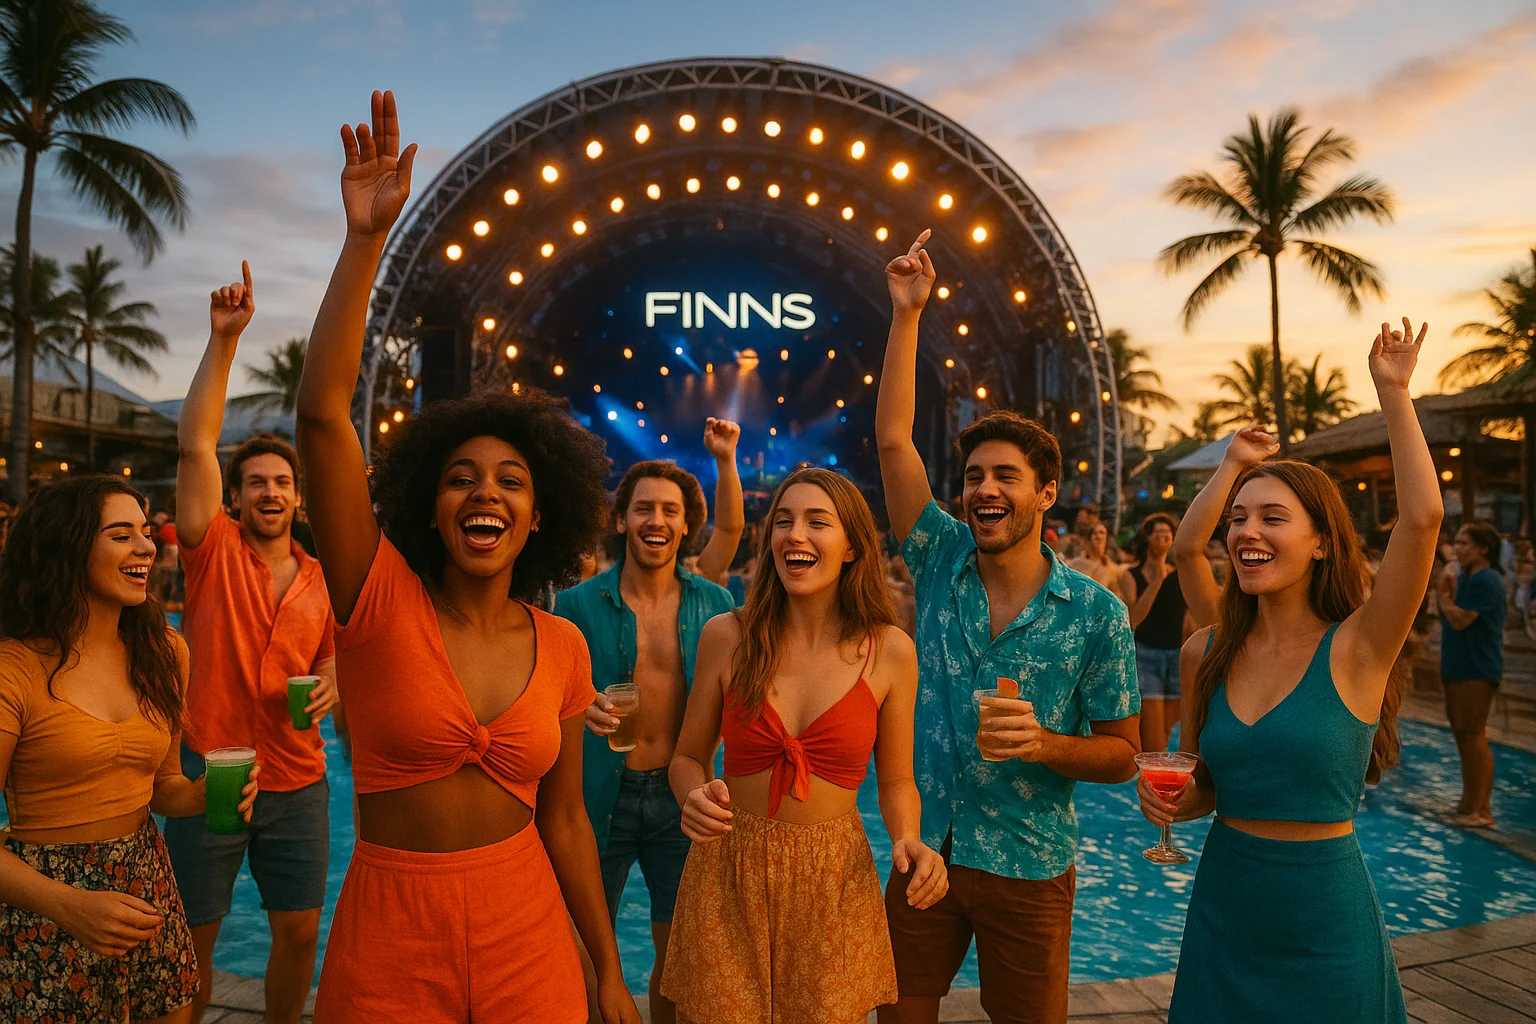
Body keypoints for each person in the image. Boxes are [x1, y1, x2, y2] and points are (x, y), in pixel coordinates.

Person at [295, 90, 638, 1024]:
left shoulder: (563, 648)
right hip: (389, 934)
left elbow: (565, 821)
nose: (485, 492)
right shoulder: (375, 600)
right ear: (428, 508)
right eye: (460, 478)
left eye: (511, 483)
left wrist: (605, 969)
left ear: (539, 519)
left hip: (527, 929)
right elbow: (323, 418)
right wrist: (364, 240)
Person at [875, 231, 1140, 1024]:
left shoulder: (1096, 613)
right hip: (927, 848)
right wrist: (907, 316)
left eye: (1005, 478)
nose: (984, 490)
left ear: (1046, 494)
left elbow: (1124, 755)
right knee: (897, 1013)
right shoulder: (937, 556)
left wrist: (1046, 745)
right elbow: (893, 441)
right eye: (975, 477)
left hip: (1029, 865)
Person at [1141, 319, 1438, 1024]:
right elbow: (1206, 787)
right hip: (1224, 905)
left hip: (1325, 920)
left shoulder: (1362, 646)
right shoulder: (1208, 652)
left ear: (1322, 545)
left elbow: (1421, 519)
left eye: (1273, 518)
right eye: (1239, 519)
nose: (1246, 532)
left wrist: (1394, 393)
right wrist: (1175, 804)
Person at [662, 467, 948, 1024]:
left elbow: (896, 781)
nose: (795, 535)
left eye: (817, 522)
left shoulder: (890, 651)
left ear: (851, 548)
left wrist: (910, 839)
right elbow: (687, 758)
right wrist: (691, 795)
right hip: (727, 870)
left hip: (832, 878)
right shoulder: (727, 635)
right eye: (783, 522)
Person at [0, 476, 258, 1024]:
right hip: (44, 903)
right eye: (121, 535)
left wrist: (205, 794)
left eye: (145, 532)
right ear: (67, 546)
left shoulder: (164, 652)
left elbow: (163, 787)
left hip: (146, 886)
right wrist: (69, 906)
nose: (147, 546)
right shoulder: (12, 671)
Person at [164, 266, 340, 1024]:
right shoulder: (212, 553)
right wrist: (223, 340)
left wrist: (332, 678)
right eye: (256, 482)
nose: (270, 492)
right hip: (210, 770)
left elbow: (335, 652)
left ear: (299, 496)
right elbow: (196, 442)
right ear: (235, 497)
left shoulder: (321, 576)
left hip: (299, 780)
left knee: (298, 931)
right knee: (193, 937)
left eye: (283, 482)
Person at [553, 422, 743, 1024]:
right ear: (620, 521)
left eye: (669, 510)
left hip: (682, 797)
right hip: (596, 797)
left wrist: (725, 459)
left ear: (687, 525)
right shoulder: (577, 605)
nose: (655, 520)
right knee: (584, 948)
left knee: (677, 953)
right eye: (642, 509)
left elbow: (733, 528)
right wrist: (574, 705)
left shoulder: (711, 601)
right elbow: (542, 691)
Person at [1437, 520, 1505, 829]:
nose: (1458, 548)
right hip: (1459, 665)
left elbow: (1461, 620)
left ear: (1483, 549)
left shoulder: (1487, 580)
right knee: (1463, 735)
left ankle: (1482, 810)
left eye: (1465, 543)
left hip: (1477, 667)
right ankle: (1468, 803)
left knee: (1473, 734)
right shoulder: (1466, 578)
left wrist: (1443, 596)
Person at [1120, 514, 1187, 753]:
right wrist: (1158, 579)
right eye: (1157, 532)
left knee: (1168, 733)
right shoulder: (1130, 575)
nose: (1163, 537)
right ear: (1147, 537)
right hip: (1145, 655)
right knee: (1153, 741)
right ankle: (1148, 786)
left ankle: (1162, 787)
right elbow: (1134, 618)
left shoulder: (1181, 575)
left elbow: (1188, 618)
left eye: (1167, 533)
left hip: (1176, 656)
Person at [1066, 521, 1123, 592]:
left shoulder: (1114, 570)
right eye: (1095, 533)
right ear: (1090, 539)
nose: (1098, 536)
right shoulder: (1075, 564)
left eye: (1101, 533)